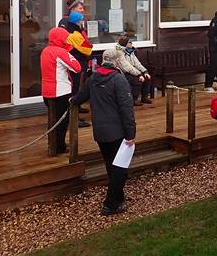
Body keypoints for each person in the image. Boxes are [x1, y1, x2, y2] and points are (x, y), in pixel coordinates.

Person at [71, 48, 135, 216]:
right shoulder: (119, 80)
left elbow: (79, 97)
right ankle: (110, 204)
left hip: (100, 130)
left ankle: (118, 198)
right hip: (117, 130)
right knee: (120, 168)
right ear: (117, 62)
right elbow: (126, 108)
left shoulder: (93, 78)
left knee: (111, 165)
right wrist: (131, 133)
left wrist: (72, 100)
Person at [40, 27, 82, 153]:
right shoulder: (60, 52)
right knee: (62, 121)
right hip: (61, 91)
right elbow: (77, 68)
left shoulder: (45, 51)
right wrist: (68, 51)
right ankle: (59, 146)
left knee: (53, 120)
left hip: (46, 91)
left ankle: (52, 144)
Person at [58, 0, 94, 126]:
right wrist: (88, 49)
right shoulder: (66, 24)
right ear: (73, 9)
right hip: (75, 60)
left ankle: (76, 109)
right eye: (80, 8)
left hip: (80, 60)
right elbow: (80, 45)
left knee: (79, 87)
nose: (82, 10)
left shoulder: (76, 26)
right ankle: (74, 118)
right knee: (74, 89)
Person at [115, 36, 152, 105]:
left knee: (146, 77)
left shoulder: (130, 51)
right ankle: (133, 100)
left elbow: (137, 63)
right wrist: (138, 74)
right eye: (129, 42)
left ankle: (144, 97)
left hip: (131, 71)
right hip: (122, 73)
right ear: (125, 44)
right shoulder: (119, 53)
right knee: (137, 80)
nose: (132, 43)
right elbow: (126, 67)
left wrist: (144, 71)